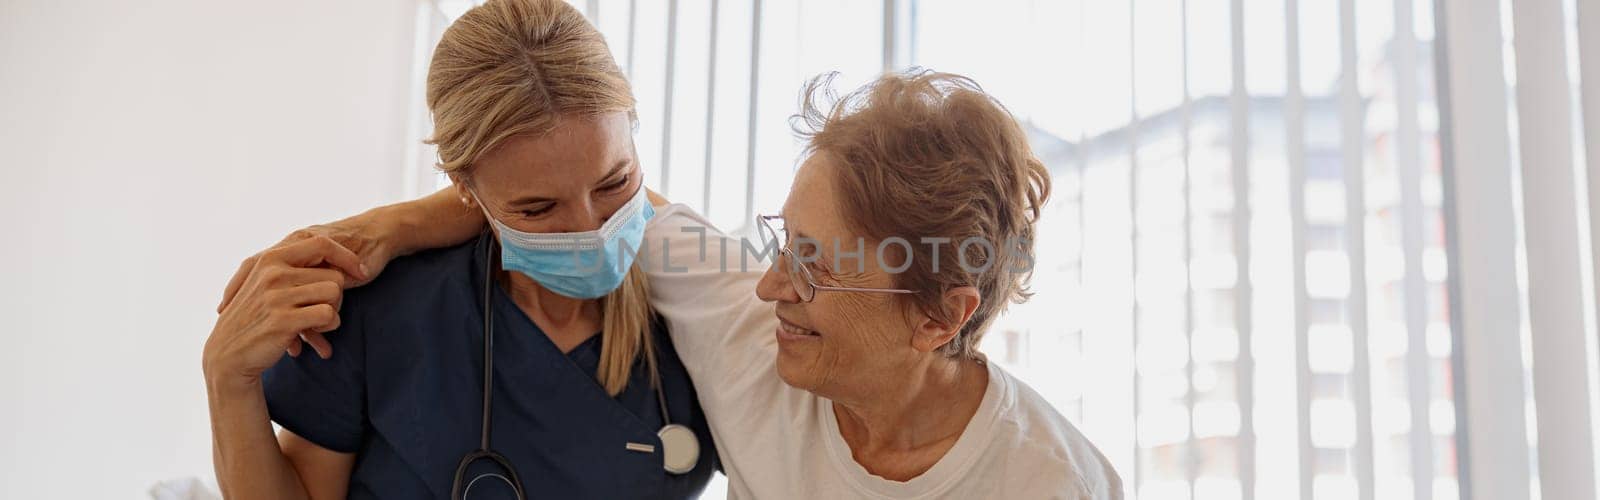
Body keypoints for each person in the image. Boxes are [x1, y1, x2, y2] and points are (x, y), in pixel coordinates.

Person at [246, 68, 1125, 498]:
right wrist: (392, 226)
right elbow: (574, 197)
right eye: (786, 240)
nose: (772, 283)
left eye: (816, 266)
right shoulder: (747, 323)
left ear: (940, 315)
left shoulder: (1049, 482)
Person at [201, 1, 717, 498]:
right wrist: (228, 381)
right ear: (463, 188)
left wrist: (401, 222)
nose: (590, 231)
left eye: (615, 181)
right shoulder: (381, 307)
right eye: (538, 209)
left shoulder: (700, 304)